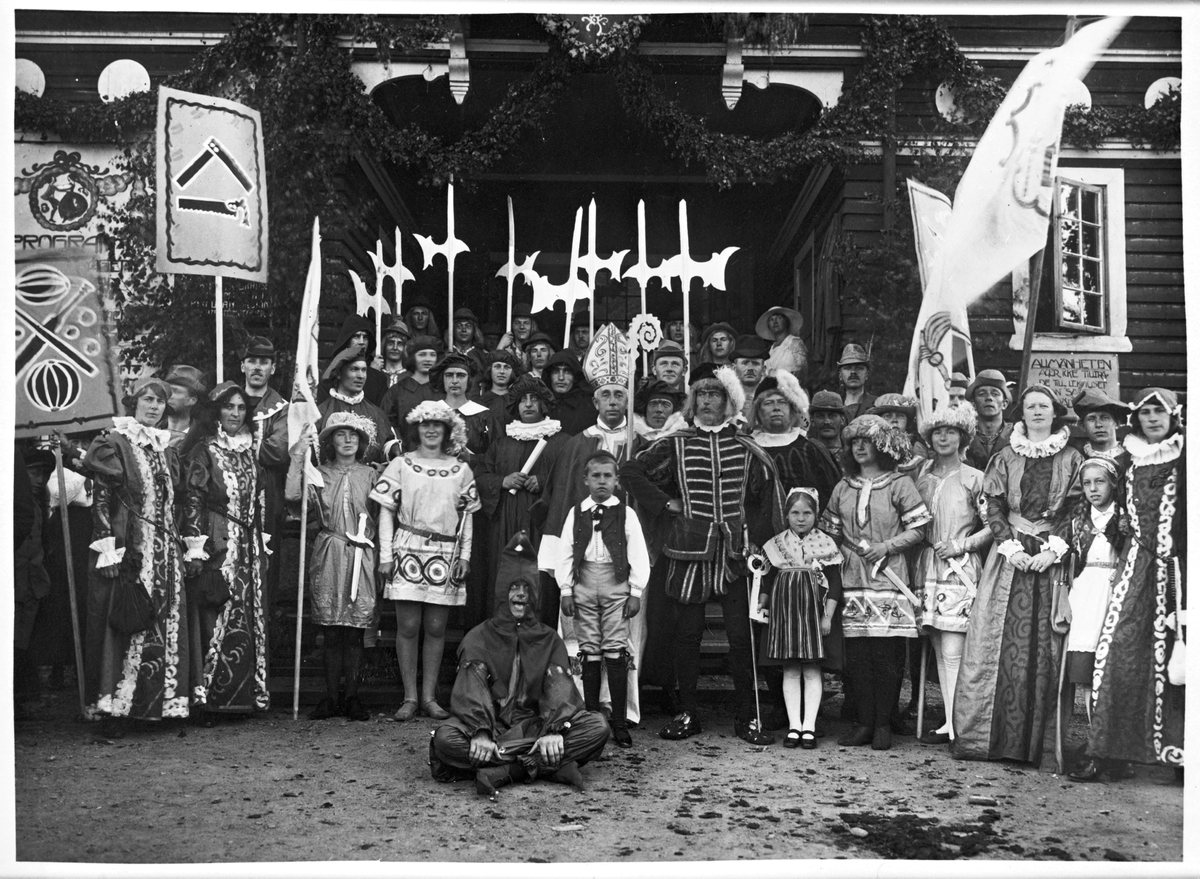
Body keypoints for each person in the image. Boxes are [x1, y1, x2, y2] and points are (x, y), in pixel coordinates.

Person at [621, 363, 783, 744]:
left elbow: (767, 498)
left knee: (741, 639)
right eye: (702, 394)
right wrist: (665, 504)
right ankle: (688, 713)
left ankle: (747, 717)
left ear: (729, 402)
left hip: (736, 556)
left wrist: (756, 541)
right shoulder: (676, 444)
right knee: (687, 635)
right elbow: (630, 472)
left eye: (716, 394)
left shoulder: (746, 447)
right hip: (688, 551)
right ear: (692, 402)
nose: (708, 401)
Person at [952, 385, 1083, 765]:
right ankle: (987, 741)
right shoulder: (1006, 456)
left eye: (1044, 406)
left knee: (1046, 648)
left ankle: (1037, 747)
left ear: (1054, 412)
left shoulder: (1072, 457)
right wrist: (1010, 546)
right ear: (1021, 413)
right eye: (1031, 407)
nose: (1037, 412)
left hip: (1051, 558)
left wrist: (1054, 549)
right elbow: (992, 504)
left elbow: (1077, 508)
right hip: (1010, 557)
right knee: (994, 641)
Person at [430, 536, 610, 796]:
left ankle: (505, 771)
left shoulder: (549, 639)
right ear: (502, 592)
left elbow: (559, 688)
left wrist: (555, 729)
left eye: (527, 587)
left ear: (534, 595)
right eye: (513, 586)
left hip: (537, 729)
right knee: (445, 738)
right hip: (492, 730)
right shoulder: (478, 637)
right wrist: (481, 732)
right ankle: (547, 766)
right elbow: (471, 691)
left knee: (598, 727)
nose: (521, 593)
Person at [1073, 388, 1185, 782]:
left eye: (1160, 412)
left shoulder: (1187, 459)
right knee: (1117, 654)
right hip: (1136, 569)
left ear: (1174, 416)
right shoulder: (1130, 462)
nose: (1153, 419)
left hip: (1180, 571)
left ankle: (1183, 758)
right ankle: (1110, 752)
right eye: (1146, 412)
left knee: (1182, 659)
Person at [82, 377, 191, 732]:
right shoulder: (114, 442)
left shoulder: (165, 447)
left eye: (160, 402)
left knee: (164, 622)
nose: (154, 407)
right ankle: (117, 708)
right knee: (127, 622)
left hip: (166, 552)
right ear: (134, 403)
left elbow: (172, 502)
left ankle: (158, 705)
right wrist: (107, 548)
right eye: (148, 399)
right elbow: (101, 500)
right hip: (130, 549)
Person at [821, 415, 930, 751]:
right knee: (857, 658)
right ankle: (864, 723)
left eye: (866, 442)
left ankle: (884, 724)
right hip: (852, 579)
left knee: (887, 656)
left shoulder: (899, 484)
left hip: (889, 577)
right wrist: (844, 551)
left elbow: (919, 528)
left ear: (881, 447)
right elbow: (829, 532)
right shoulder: (843, 487)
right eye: (854, 442)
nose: (859, 448)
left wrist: (886, 547)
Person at [373, 401, 481, 722]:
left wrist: (465, 556)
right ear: (416, 429)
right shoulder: (401, 465)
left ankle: (430, 698)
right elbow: (386, 512)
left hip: (445, 553)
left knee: (436, 627)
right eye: (425, 424)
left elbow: (467, 519)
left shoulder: (460, 469)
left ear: (447, 431)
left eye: (437, 424)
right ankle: (409, 697)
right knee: (408, 626)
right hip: (407, 547)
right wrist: (385, 555)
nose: (431, 430)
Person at [180, 381, 270, 719]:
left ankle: (244, 697)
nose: (235, 413)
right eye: (229, 407)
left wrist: (260, 539)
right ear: (216, 412)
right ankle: (208, 698)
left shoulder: (248, 450)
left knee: (246, 614)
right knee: (215, 610)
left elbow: (259, 499)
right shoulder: (204, 450)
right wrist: (195, 546)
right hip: (216, 539)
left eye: (241, 407)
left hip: (247, 543)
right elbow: (193, 499)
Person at [553, 452, 651, 748]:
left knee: (615, 651)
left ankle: (619, 723)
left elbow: (638, 554)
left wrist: (635, 592)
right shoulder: (576, 513)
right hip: (584, 584)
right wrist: (566, 590)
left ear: (617, 481)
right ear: (585, 480)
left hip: (615, 585)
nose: (601, 481)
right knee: (590, 651)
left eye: (608, 476)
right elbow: (565, 552)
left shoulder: (626, 514)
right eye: (595, 476)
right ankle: (593, 722)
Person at [286, 414, 379, 721]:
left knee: (354, 631)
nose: (348, 440)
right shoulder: (319, 473)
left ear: (361, 442)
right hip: (329, 551)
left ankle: (352, 697)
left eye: (354, 435)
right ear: (331, 441)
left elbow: (384, 513)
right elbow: (293, 498)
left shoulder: (372, 474)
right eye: (340, 434)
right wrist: (298, 459)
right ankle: (330, 697)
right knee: (331, 631)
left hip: (361, 554)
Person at [912, 404, 989, 745]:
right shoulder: (921, 476)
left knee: (954, 648)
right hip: (927, 564)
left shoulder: (975, 477)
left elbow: (993, 525)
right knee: (938, 649)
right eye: (937, 432)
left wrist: (961, 545)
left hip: (960, 568)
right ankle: (948, 721)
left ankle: (962, 724)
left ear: (963, 437)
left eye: (951, 432)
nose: (943, 438)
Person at [474, 375, 570, 625]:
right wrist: (502, 481)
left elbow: (571, 479)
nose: (528, 404)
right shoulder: (502, 442)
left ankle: (538, 635)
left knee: (540, 579)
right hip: (506, 522)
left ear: (543, 404)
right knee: (504, 575)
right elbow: (481, 476)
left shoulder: (561, 441)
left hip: (543, 523)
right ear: (515, 406)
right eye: (522, 400)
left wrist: (544, 481)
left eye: (534, 399)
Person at [757, 488, 843, 749]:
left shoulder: (826, 544)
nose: (801, 518)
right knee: (791, 669)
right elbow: (767, 579)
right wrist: (762, 602)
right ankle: (794, 726)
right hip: (785, 614)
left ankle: (809, 727)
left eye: (807, 513)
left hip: (812, 614)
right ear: (786, 515)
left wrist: (827, 617)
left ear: (816, 514)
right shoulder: (776, 544)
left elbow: (835, 584)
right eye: (795, 513)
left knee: (812, 669)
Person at [1052, 458, 1121, 769]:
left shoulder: (1123, 517)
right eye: (1088, 483)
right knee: (1088, 674)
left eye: (1100, 481)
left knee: (1111, 673)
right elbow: (1062, 554)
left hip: (1115, 592)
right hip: (1085, 595)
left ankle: (1112, 746)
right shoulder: (1078, 520)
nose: (1093, 488)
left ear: (1113, 484)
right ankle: (1094, 742)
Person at [239, 336, 289, 650]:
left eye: (264, 362)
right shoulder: (230, 400)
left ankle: (261, 639)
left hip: (266, 493)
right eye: (252, 361)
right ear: (243, 365)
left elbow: (276, 451)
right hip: (229, 493)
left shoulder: (281, 408)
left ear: (272, 368)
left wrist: (237, 443)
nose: (258, 367)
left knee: (264, 560)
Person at [749, 372, 840, 511]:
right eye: (768, 403)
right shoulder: (746, 450)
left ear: (792, 409)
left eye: (782, 402)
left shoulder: (813, 449)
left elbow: (832, 498)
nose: (776, 408)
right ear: (758, 412)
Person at [14, 446, 53, 710]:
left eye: (45, 475)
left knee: (24, 642)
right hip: (15, 581)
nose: (40, 480)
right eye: (34, 473)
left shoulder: (40, 503)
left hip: (33, 584)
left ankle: (22, 697)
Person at [317, 346, 394, 464]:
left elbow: (387, 449)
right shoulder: (320, 414)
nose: (361, 376)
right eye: (354, 369)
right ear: (339, 373)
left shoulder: (377, 414)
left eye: (364, 370)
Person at [378, 335, 442, 436]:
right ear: (413, 358)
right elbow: (385, 422)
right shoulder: (397, 390)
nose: (428, 359)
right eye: (422, 355)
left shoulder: (442, 389)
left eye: (432, 355)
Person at [318, 314, 387, 405]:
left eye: (365, 337)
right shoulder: (331, 376)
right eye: (356, 336)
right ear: (347, 340)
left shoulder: (378, 379)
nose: (361, 342)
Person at [433, 352, 490, 461]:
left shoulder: (484, 416)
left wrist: (471, 458)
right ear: (442, 379)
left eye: (461, 375)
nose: (454, 381)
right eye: (449, 375)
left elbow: (495, 457)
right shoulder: (431, 413)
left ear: (469, 380)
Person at [1071, 388, 1131, 476]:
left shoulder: (1131, 458)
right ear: (1082, 426)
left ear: (1117, 423)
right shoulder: (1078, 460)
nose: (1098, 424)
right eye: (1091, 419)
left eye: (1105, 418)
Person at [964, 369, 1013, 471]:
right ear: (973, 404)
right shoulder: (963, 436)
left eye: (995, 394)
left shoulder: (1017, 435)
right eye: (982, 394)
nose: (989, 398)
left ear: (1004, 404)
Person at [869, 393, 928, 474]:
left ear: (907, 422)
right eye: (888, 416)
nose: (894, 420)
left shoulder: (916, 448)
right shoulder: (871, 446)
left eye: (900, 416)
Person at [544, 350, 595, 435]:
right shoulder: (541, 402)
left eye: (567, 372)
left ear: (575, 377)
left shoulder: (589, 405)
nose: (561, 377)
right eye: (556, 371)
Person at [756, 305, 808, 384]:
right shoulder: (770, 350)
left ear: (786, 322)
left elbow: (802, 371)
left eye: (779, 318)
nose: (775, 322)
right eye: (771, 319)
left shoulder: (795, 343)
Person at [163, 364, 207, 449]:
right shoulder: (150, 432)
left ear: (192, 400)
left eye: (176, 391)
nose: (168, 395)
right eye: (167, 390)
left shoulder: (202, 439)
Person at [731, 335, 769, 424]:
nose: (750, 368)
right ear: (734, 368)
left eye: (755, 363)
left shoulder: (772, 398)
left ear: (763, 370)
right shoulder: (726, 398)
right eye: (745, 363)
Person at [836, 345, 876, 422]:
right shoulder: (833, 405)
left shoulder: (877, 404)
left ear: (867, 374)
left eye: (859, 368)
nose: (853, 372)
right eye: (847, 368)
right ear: (840, 375)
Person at [448, 307, 488, 381]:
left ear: (474, 330)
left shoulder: (482, 356)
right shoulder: (446, 353)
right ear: (452, 329)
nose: (463, 330)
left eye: (468, 326)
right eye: (459, 326)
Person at [496, 302, 537, 370]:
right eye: (517, 323)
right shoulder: (506, 347)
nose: (522, 327)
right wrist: (500, 347)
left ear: (532, 326)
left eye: (526, 323)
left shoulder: (536, 349)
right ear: (512, 325)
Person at [809, 391, 848, 461]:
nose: (826, 422)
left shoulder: (853, 454)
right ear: (812, 421)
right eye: (820, 416)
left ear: (842, 420)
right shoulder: (806, 454)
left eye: (832, 416)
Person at [379, 318, 412, 391]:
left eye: (400, 344)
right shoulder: (377, 375)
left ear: (405, 348)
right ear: (384, 345)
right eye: (391, 343)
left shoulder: (410, 377)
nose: (395, 348)